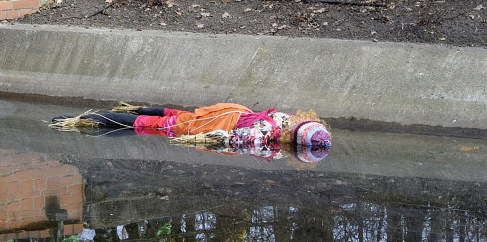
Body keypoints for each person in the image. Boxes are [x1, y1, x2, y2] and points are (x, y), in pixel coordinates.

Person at [50, 102, 331, 163]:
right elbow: (231, 140)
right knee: (158, 127)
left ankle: (138, 108)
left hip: (231, 111)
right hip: (216, 125)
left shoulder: (288, 119)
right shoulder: (262, 135)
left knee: (178, 116)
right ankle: (78, 120)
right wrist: (192, 142)